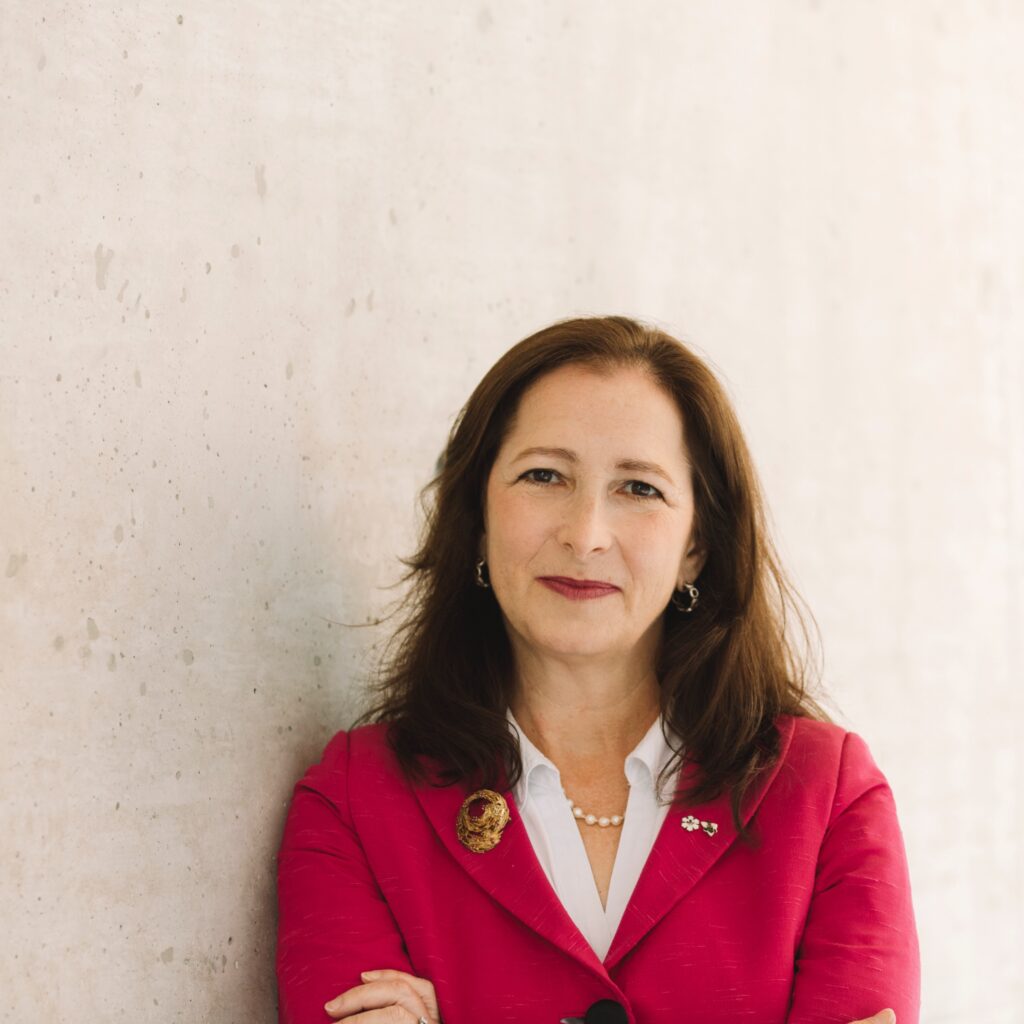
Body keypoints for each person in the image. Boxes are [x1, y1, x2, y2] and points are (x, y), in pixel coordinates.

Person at [275, 316, 920, 1024]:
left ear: (696, 546)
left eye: (639, 489)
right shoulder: (354, 803)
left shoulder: (827, 801)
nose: (585, 535)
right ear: (479, 518)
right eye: (543, 475)